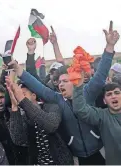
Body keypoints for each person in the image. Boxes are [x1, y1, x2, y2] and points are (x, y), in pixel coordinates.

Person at [8, 21, 119, 164]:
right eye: (59, 82)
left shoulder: (88, 92)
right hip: (76, 157)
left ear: (74, 80)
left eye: (65, 81)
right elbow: (38, 86)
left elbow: (101, 74)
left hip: (100, 151)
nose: (60, 84)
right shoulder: (57, 99)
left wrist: (109, 46)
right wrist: (18, 70)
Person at [6, 77, 74, 165]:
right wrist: (14, 107)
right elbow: (19, 140)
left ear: (34, 96)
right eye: (17, 95)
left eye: (23, 94)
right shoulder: (24, 116)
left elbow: (51, 125)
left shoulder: (51, 107)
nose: (19, 98)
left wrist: (23, 100)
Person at [73, 73, 121, 164]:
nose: (113, 96)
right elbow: (80, 110)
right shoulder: (102, 115)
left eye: (117, 93)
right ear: (104, 101)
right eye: (109, 94)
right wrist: (78, 87)